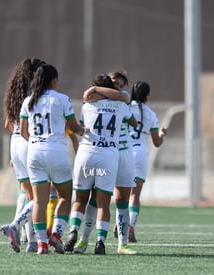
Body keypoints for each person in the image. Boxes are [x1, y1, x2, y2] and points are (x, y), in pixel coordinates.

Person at [65, 71, 138, 255]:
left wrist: (95, 90)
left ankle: (122, 244)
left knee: (119, 200)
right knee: (97, 201)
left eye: (122, 85)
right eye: (115, 83)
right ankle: (86, 241)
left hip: (114, 153)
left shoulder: (112, 100)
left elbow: (82, 123)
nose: (118, 87)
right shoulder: (120, 104)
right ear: (109, 84)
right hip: (109, 155)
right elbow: (134, 122)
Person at [20, 64, 85, 254]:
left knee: (39, 201)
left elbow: (24, 132)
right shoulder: (62, 99)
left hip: (34, 153)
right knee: (65, 196)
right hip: (56, 152)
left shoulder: (28, 101)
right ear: (54, 80)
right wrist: (84, 130)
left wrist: (37, 144)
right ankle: (56, 236)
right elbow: (73, 127)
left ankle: (41, 244)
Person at [0, 57, 46, 253]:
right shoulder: (34, 94)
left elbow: (8, 124)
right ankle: (16, 226)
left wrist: (17, 147)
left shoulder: (15, 92)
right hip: (29, 142)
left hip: (16, 142)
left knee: (27, 194)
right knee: (41, 195)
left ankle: (31, 242)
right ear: (35, 73)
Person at [128, 81, 167, 242]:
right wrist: (162, 134)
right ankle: (130, 226)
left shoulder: (125, 108)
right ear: (147, 96)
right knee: (135, 195)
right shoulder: (151, 114)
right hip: (140, 154)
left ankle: (120, 222)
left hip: (123, 153)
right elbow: (157, 142)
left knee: (121, 193)